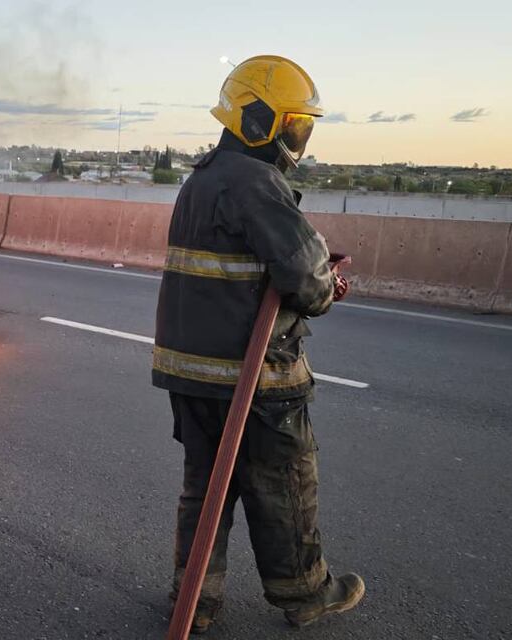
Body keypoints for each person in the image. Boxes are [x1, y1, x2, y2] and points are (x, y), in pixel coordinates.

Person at [153, 55, 362, 634]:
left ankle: (195, 602)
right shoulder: (256, 182)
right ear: (259, 120)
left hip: (189, 373)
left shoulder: (203, 177)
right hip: (254, 377)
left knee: (206, 491)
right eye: (294, 125)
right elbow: (307, 281)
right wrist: (326, 279)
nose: (299, 138)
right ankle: (307, 594)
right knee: (284, 485)